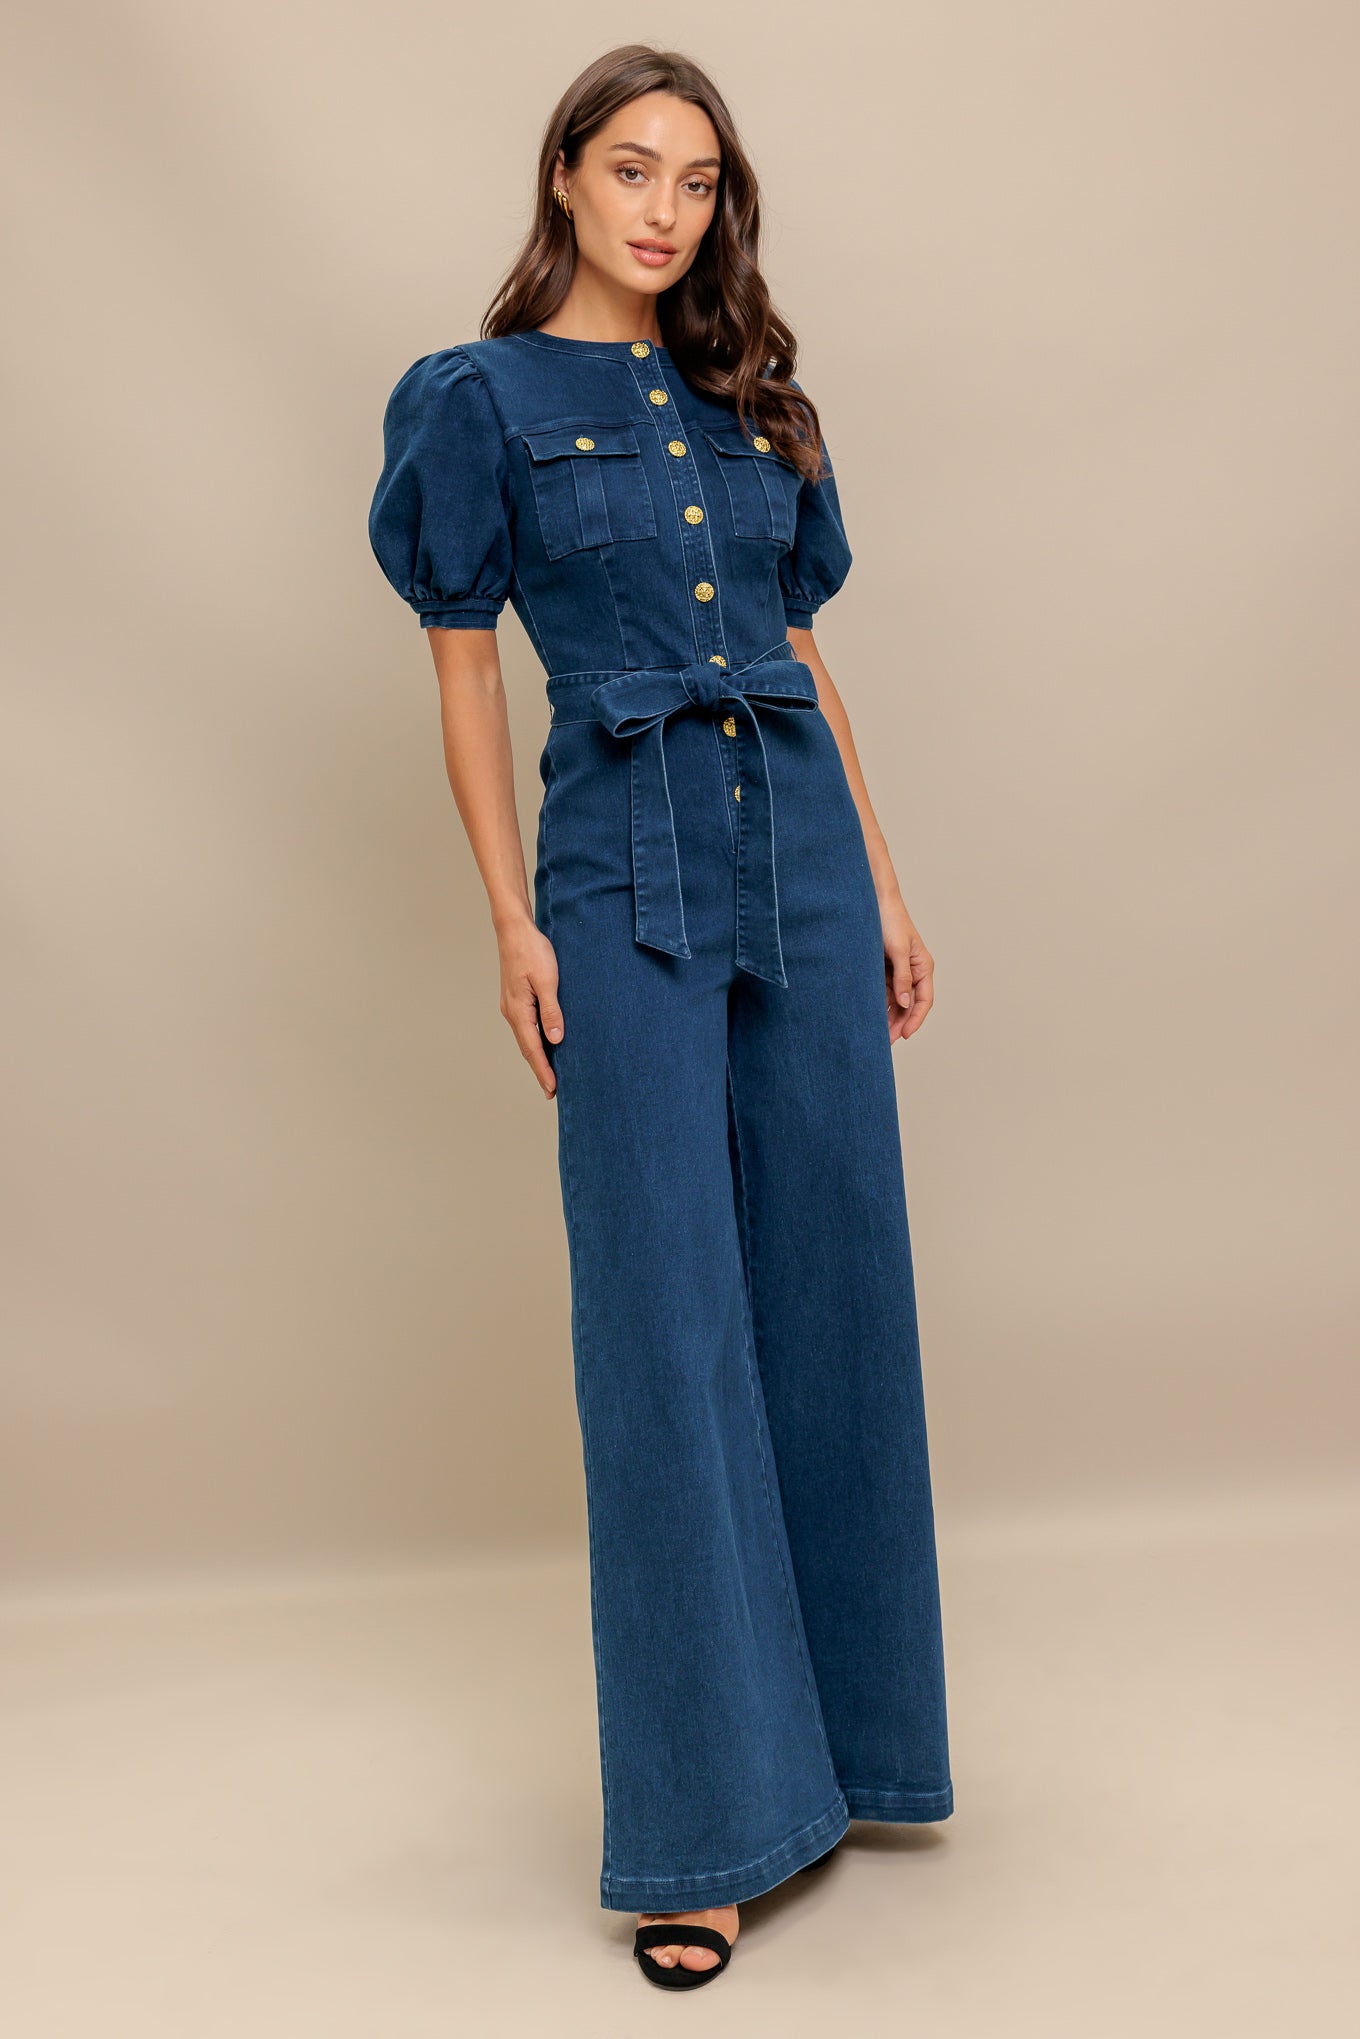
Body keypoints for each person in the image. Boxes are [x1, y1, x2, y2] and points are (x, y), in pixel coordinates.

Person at [368, 42, 953, 1993]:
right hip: (616, 865)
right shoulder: (475, 402)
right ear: (562, 175)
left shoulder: (745, 401)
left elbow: (799, 653)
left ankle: (853, 1759)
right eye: (630, 169)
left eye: (695, 182)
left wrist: (873, 876)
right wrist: (507, 921)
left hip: (786, 845)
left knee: (828, 1285)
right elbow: (464, 681)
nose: (661, 210)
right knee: (661, 1319)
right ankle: (700, 1834)